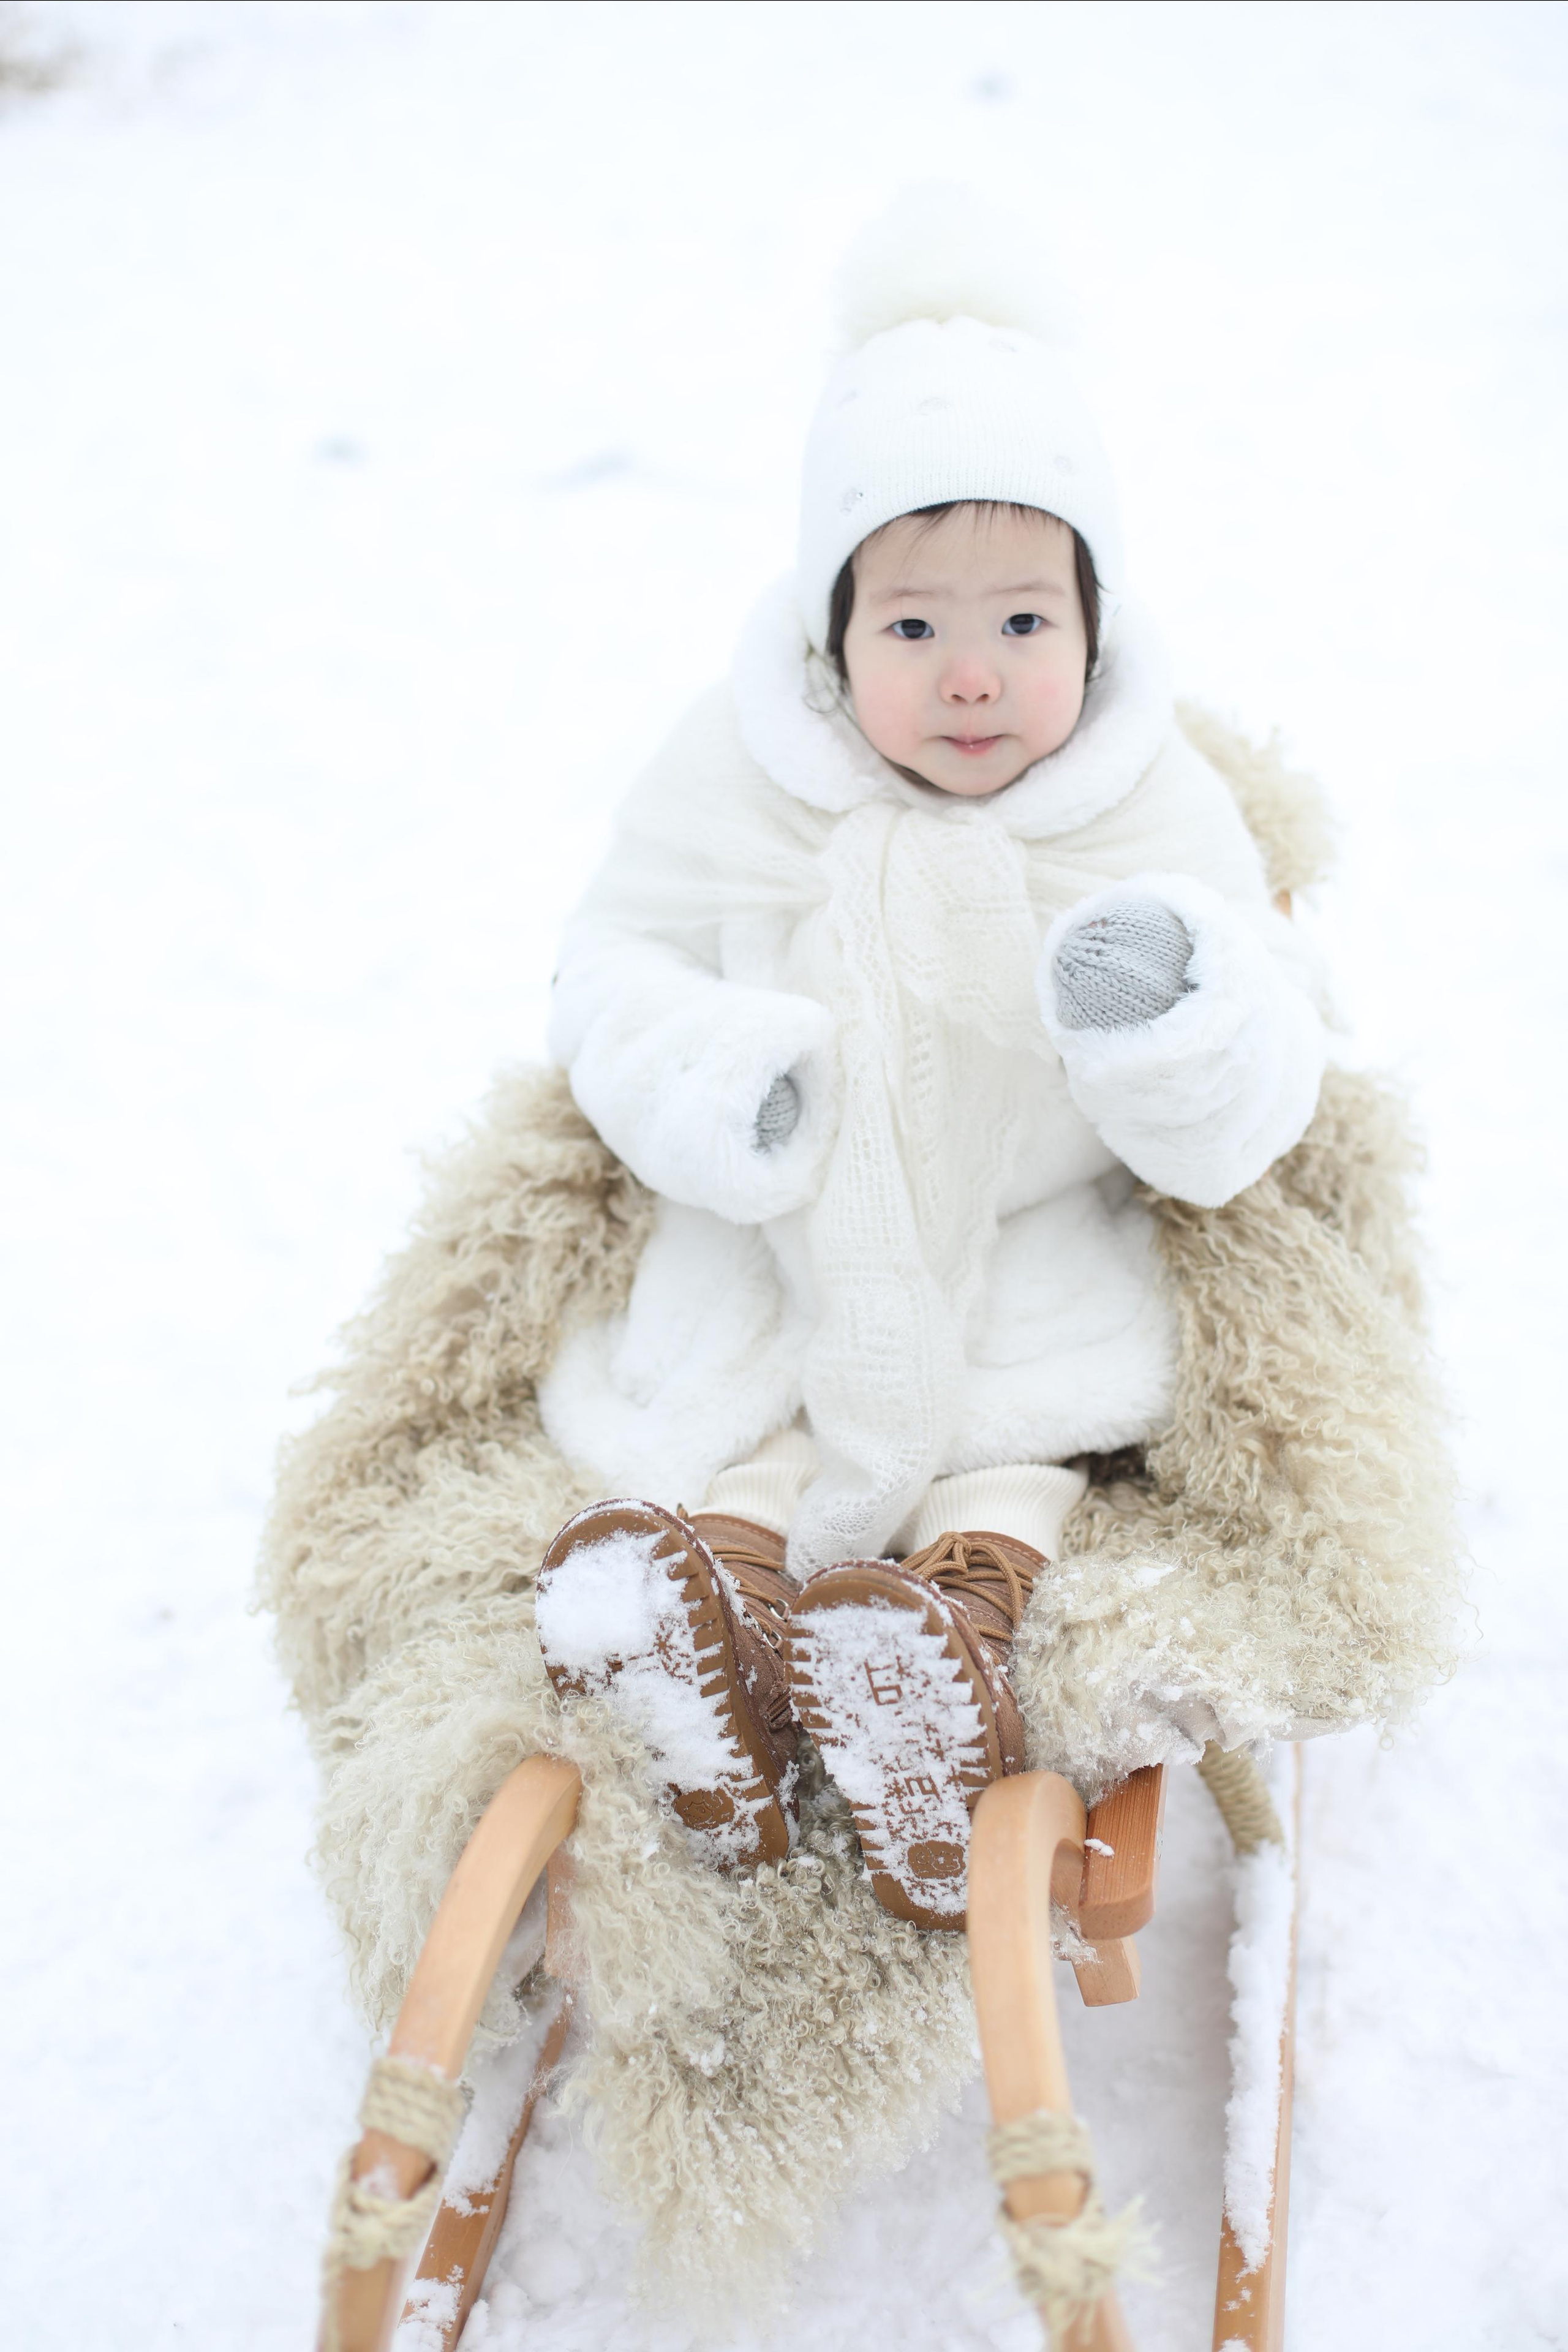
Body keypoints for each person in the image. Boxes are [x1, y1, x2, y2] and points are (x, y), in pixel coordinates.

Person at [530, 198, 1325, 1929]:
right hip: (781, 1232)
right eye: (911, 632)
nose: (974, 679)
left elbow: (1271, 1045)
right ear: (833, 635)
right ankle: (707, 1642)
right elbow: (607, 966)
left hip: (1025, 1238)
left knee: (1010, 1449)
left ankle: (931, 1656)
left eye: (1025, 626)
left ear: (1094, 628)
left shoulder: (1150, 793)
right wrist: (717, 1076)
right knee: (737, 1445)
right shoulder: (739, 771)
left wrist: (1173, 1015)